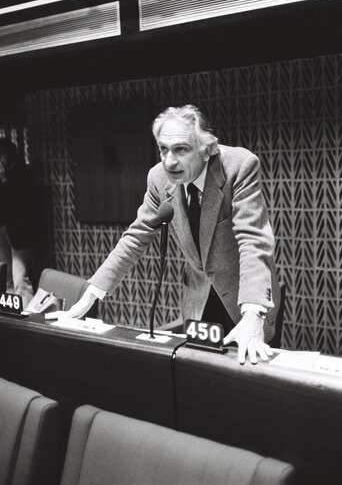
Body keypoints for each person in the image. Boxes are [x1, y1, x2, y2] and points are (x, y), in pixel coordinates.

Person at [50, 105, 280, 364]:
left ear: (207, 150)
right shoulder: (158, 178)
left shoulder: (239, 166)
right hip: (199, 299)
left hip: (246, 298)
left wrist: (253, 313)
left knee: (250, 380)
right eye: (163, 149)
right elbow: (136, 236)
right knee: (199, 378)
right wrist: (91, 295)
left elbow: (253, 240)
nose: (169, 161)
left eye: (181, 149)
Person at [0, 138, 43, 307]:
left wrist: (4, 181)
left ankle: (27, 318)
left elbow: (20, 203)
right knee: (5, 277)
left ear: (9, 155)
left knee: (21, 278)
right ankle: (12, 315)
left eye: (1, 155)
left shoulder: (24, 173)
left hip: (20, 232)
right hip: (3, 228)